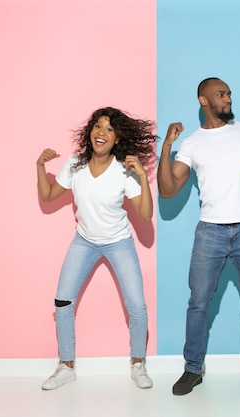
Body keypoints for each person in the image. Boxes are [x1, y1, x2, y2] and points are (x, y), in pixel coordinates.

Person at [157, 77, 240, 396]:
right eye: (221, 94)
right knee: (198, 303)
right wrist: (167, 146)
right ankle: (193, 369)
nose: (228, 99)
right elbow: (166, 190)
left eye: (229, 94)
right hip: (210, 231)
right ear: (204, 101)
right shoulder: (191, 143)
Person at [37, 107, 158, 390]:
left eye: (109, 129)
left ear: (117, 139)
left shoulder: (123, 170)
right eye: (97, 127)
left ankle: (138, 365)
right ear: (89, 131)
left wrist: (141, 176)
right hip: (85, 240)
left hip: (119, 242)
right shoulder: (76, 164)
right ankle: (66, 367)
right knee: (63, 302)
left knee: (137, 306)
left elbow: (145, 214)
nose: (101, 133)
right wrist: (40, 167)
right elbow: (48, 194)